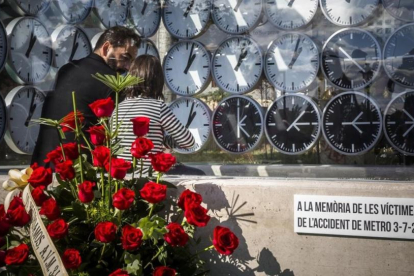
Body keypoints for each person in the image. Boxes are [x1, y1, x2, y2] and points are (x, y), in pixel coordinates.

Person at [31, 26, 140, 166]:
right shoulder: (113, 81)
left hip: (43, 162)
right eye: (125, 58)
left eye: (131, 61)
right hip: (79, 170)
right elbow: (120, 134)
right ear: (106, 48)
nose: (128, 67)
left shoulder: (67, 69)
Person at [114, 55, 195, 175]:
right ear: (158, 81)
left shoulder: (118, 108)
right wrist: (163, 141)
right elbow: (188, 141)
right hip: (149, 178)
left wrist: (158, 139)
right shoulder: (158, 107)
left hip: (122, 179)